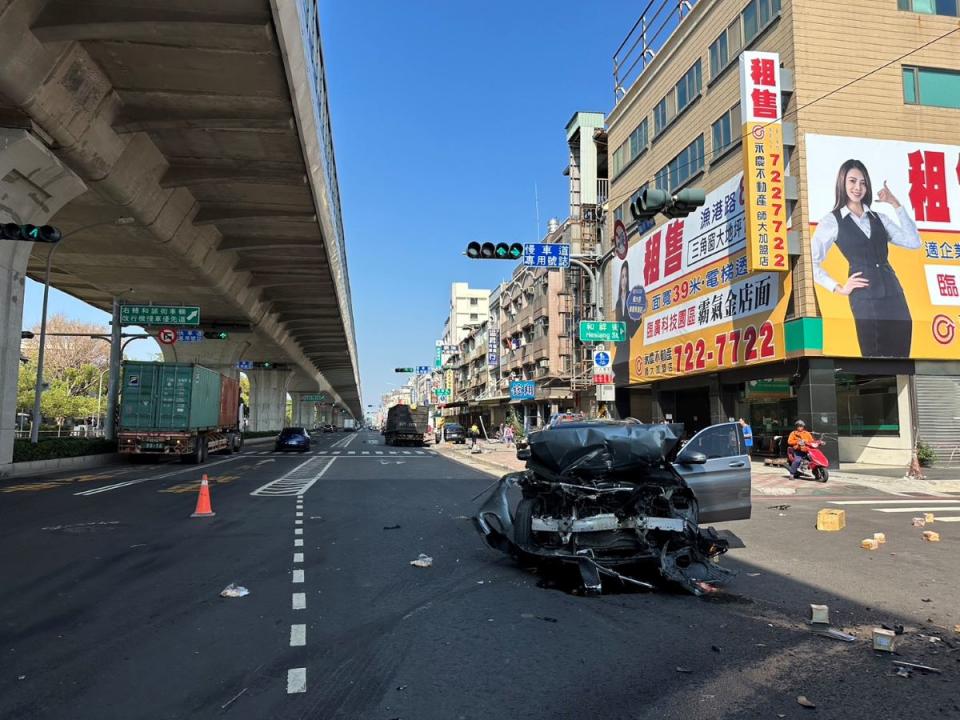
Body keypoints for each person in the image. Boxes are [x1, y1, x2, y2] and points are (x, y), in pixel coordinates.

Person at [811, 159, 921, 357]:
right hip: (865, 298)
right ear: (842, 183)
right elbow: (811, 262)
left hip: (894, 294)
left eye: (863, 182)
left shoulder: (880, 218)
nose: (857, 187)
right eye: (852, 181)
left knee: (903, 354)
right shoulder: (831, 221)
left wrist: (895, 204)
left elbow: (914, 242)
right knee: (875, 354)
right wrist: (838, 288)